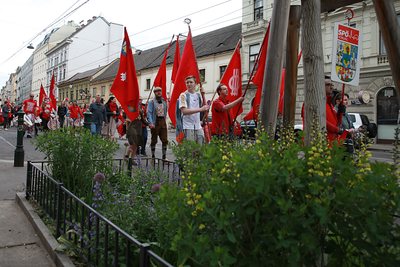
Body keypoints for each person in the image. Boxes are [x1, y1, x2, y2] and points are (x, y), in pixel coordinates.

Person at [177, 75, 209, 144]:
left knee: (200, 149)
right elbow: (184, 111)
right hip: (188, 126)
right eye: (187, 82)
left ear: (195, 84)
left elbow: (203, 109)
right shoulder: (183, 95)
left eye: (191, 82)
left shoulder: (198, 95)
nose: (189, 84)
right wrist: (200, 109)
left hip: (198, 126)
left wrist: (203, 95)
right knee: (190, 150)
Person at [125, 99, 148, 164]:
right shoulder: (131, 109)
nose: (140, 101)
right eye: (139, 100)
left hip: (138, 129)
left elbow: (143, 120)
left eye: (140, 100)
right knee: (133, 144)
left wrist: (149, 124)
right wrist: (127, 128)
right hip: (132, 128)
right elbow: (127, 120)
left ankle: (130, 158)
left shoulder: (140, 110)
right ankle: (129, 158)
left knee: (136, 145)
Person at [147, 87, 168, 159]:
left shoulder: (164, 101)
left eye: (160, 91)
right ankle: (153, 156)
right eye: (156, 91)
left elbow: (165, 111)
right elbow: (149, 113)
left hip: (163, 121)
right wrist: (151, 122)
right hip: (155, 121)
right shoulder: (151, 102)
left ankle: (164, 157)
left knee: (165, 140)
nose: (158, 92)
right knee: (154, 140)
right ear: (154, 93)